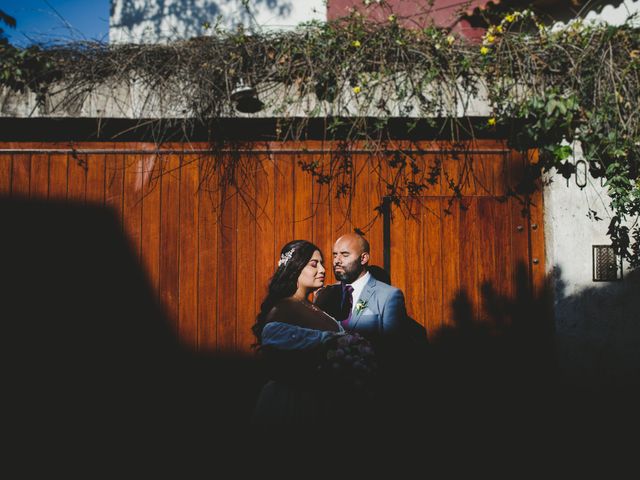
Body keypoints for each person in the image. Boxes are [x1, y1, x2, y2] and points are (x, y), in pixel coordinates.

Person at [251, 240, 348, 429]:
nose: (322, 270)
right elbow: (275, 356)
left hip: (326, 403)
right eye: (314, 264)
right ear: (295, 267)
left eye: (322, 264)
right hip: (294, 405)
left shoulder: (318, 309)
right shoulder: (282, 309)